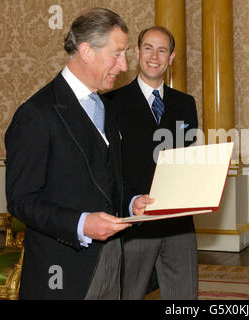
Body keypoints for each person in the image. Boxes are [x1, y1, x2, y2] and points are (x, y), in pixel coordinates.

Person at [5, 8, 133, 299]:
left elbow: (110, 182)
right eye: (117, 54)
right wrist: (80, 223)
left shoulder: (106, 108)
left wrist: (134, 201)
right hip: (61, 271)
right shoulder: (36, 114)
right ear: (86, 51)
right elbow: (21, 200)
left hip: (111, 259)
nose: (124, 65)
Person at [105, 26, 198, 299]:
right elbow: (107, 167)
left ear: (171, 57)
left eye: (162, 50)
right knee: (127, 294)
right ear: (136, 52)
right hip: (134, 222)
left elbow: (188, 159)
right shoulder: (111, 102)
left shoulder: (185, 104)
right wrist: (130, 200)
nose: (154, 56)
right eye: (148, 48)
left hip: (179, 223)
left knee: (185, 300)